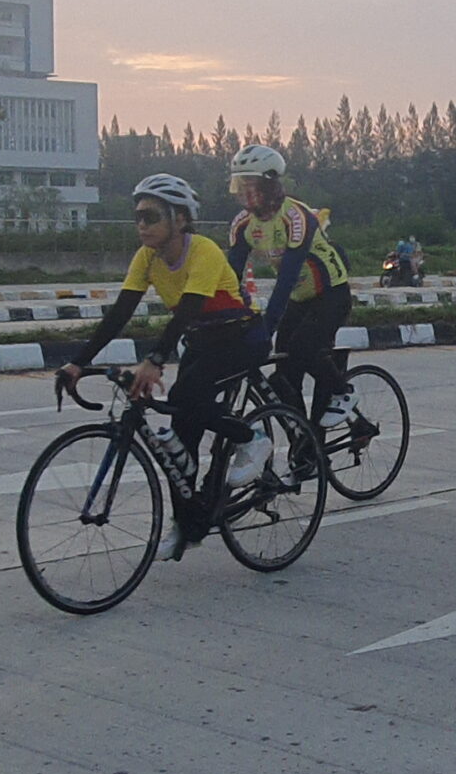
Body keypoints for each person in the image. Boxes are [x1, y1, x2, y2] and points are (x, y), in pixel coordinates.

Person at [60, 174, 265, 562]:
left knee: (189, 397)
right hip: (203, 342)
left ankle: (250, 438)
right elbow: (120, 312)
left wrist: (155, 360)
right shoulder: (148, 257)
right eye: (138, 217)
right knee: (177, 444)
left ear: (181, 219)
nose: (142, 225)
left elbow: (187, 309)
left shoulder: (202, 250)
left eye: (152, 217)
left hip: (242, 338)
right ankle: (188, 526)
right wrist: (76, 362)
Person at [223, 143, 355, 428]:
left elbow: (285, 280)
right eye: (240, 185)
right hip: (300, 298)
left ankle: (342, 392)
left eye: (253, 185)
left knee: (303, 349)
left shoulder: (296, 216)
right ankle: (306, 446)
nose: (246, 193)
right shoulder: (242, 224)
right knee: (283, 377)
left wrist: (266, 327)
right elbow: (230, 276)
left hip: (331, 293)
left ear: (271, 186)